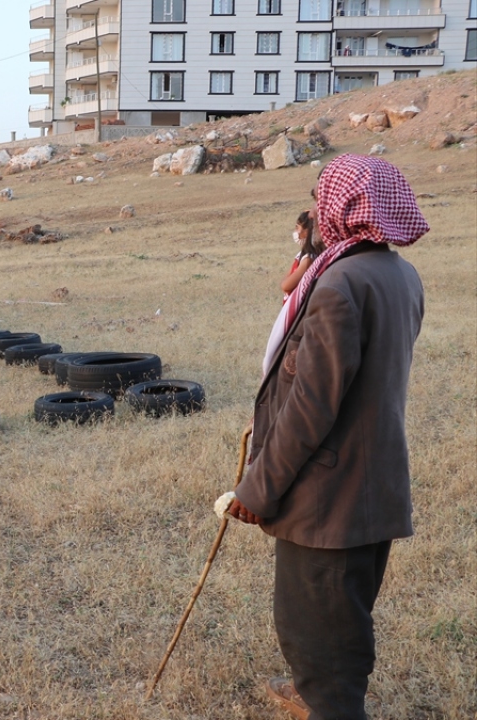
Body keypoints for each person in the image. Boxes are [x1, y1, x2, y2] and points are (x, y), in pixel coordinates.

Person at [226, 154, 428, 720]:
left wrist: (256, 490)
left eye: (324, 200)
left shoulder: (340, 283)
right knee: (342, 617)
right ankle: (316, 693)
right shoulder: (397, 273)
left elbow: (311, 408)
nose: (317, 211)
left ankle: (329, 703)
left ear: (345, 206)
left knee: (320, 632)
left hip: (328, 501)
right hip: (372, 488)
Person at [281, 210, 323, 300]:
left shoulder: (308, 259)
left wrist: (284, 282)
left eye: (297, 227)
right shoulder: (302, 254)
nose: (295, 231)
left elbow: (286, 285)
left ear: (306, 232)